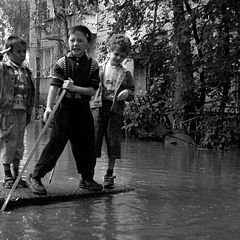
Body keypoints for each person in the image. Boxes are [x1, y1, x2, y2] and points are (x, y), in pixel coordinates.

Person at [28, 25, 102, 195]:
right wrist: (48, 107)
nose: (75, 44)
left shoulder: (93, 65)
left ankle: (87, 179)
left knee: (86, 144)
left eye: (80, 40)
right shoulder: (62, 63)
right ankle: (36, 176)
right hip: (65, 109)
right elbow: (54, 87)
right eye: (72, 40)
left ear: (87, 43)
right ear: (68, 41)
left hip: (83, 109)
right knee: (56, 143)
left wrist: (74, 87)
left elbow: (92, 91)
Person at [91, 34, 135, 188]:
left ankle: (109, 174)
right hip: (98, 107)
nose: (118, 58)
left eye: (122, 56)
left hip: (115, 110)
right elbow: (89, 86)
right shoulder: (99, 68)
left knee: (113, 142)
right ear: (109, 51)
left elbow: (132, 92)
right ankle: (89, 174)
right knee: (94, 139)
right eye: (116, 54)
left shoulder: (126, 74)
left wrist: (128, 93)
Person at [0, 35, 35, 189]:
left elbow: (31, 92)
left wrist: (30, 111)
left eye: (24, 51)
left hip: (23, 111)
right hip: (8, 111)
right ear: (9, 53)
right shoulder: (4, 68)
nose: (22, 54)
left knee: (20, 143)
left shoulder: (26, 70)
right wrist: (2, 54)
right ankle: (7, 175)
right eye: (18, 51)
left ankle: (16, 175)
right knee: (10, 141)